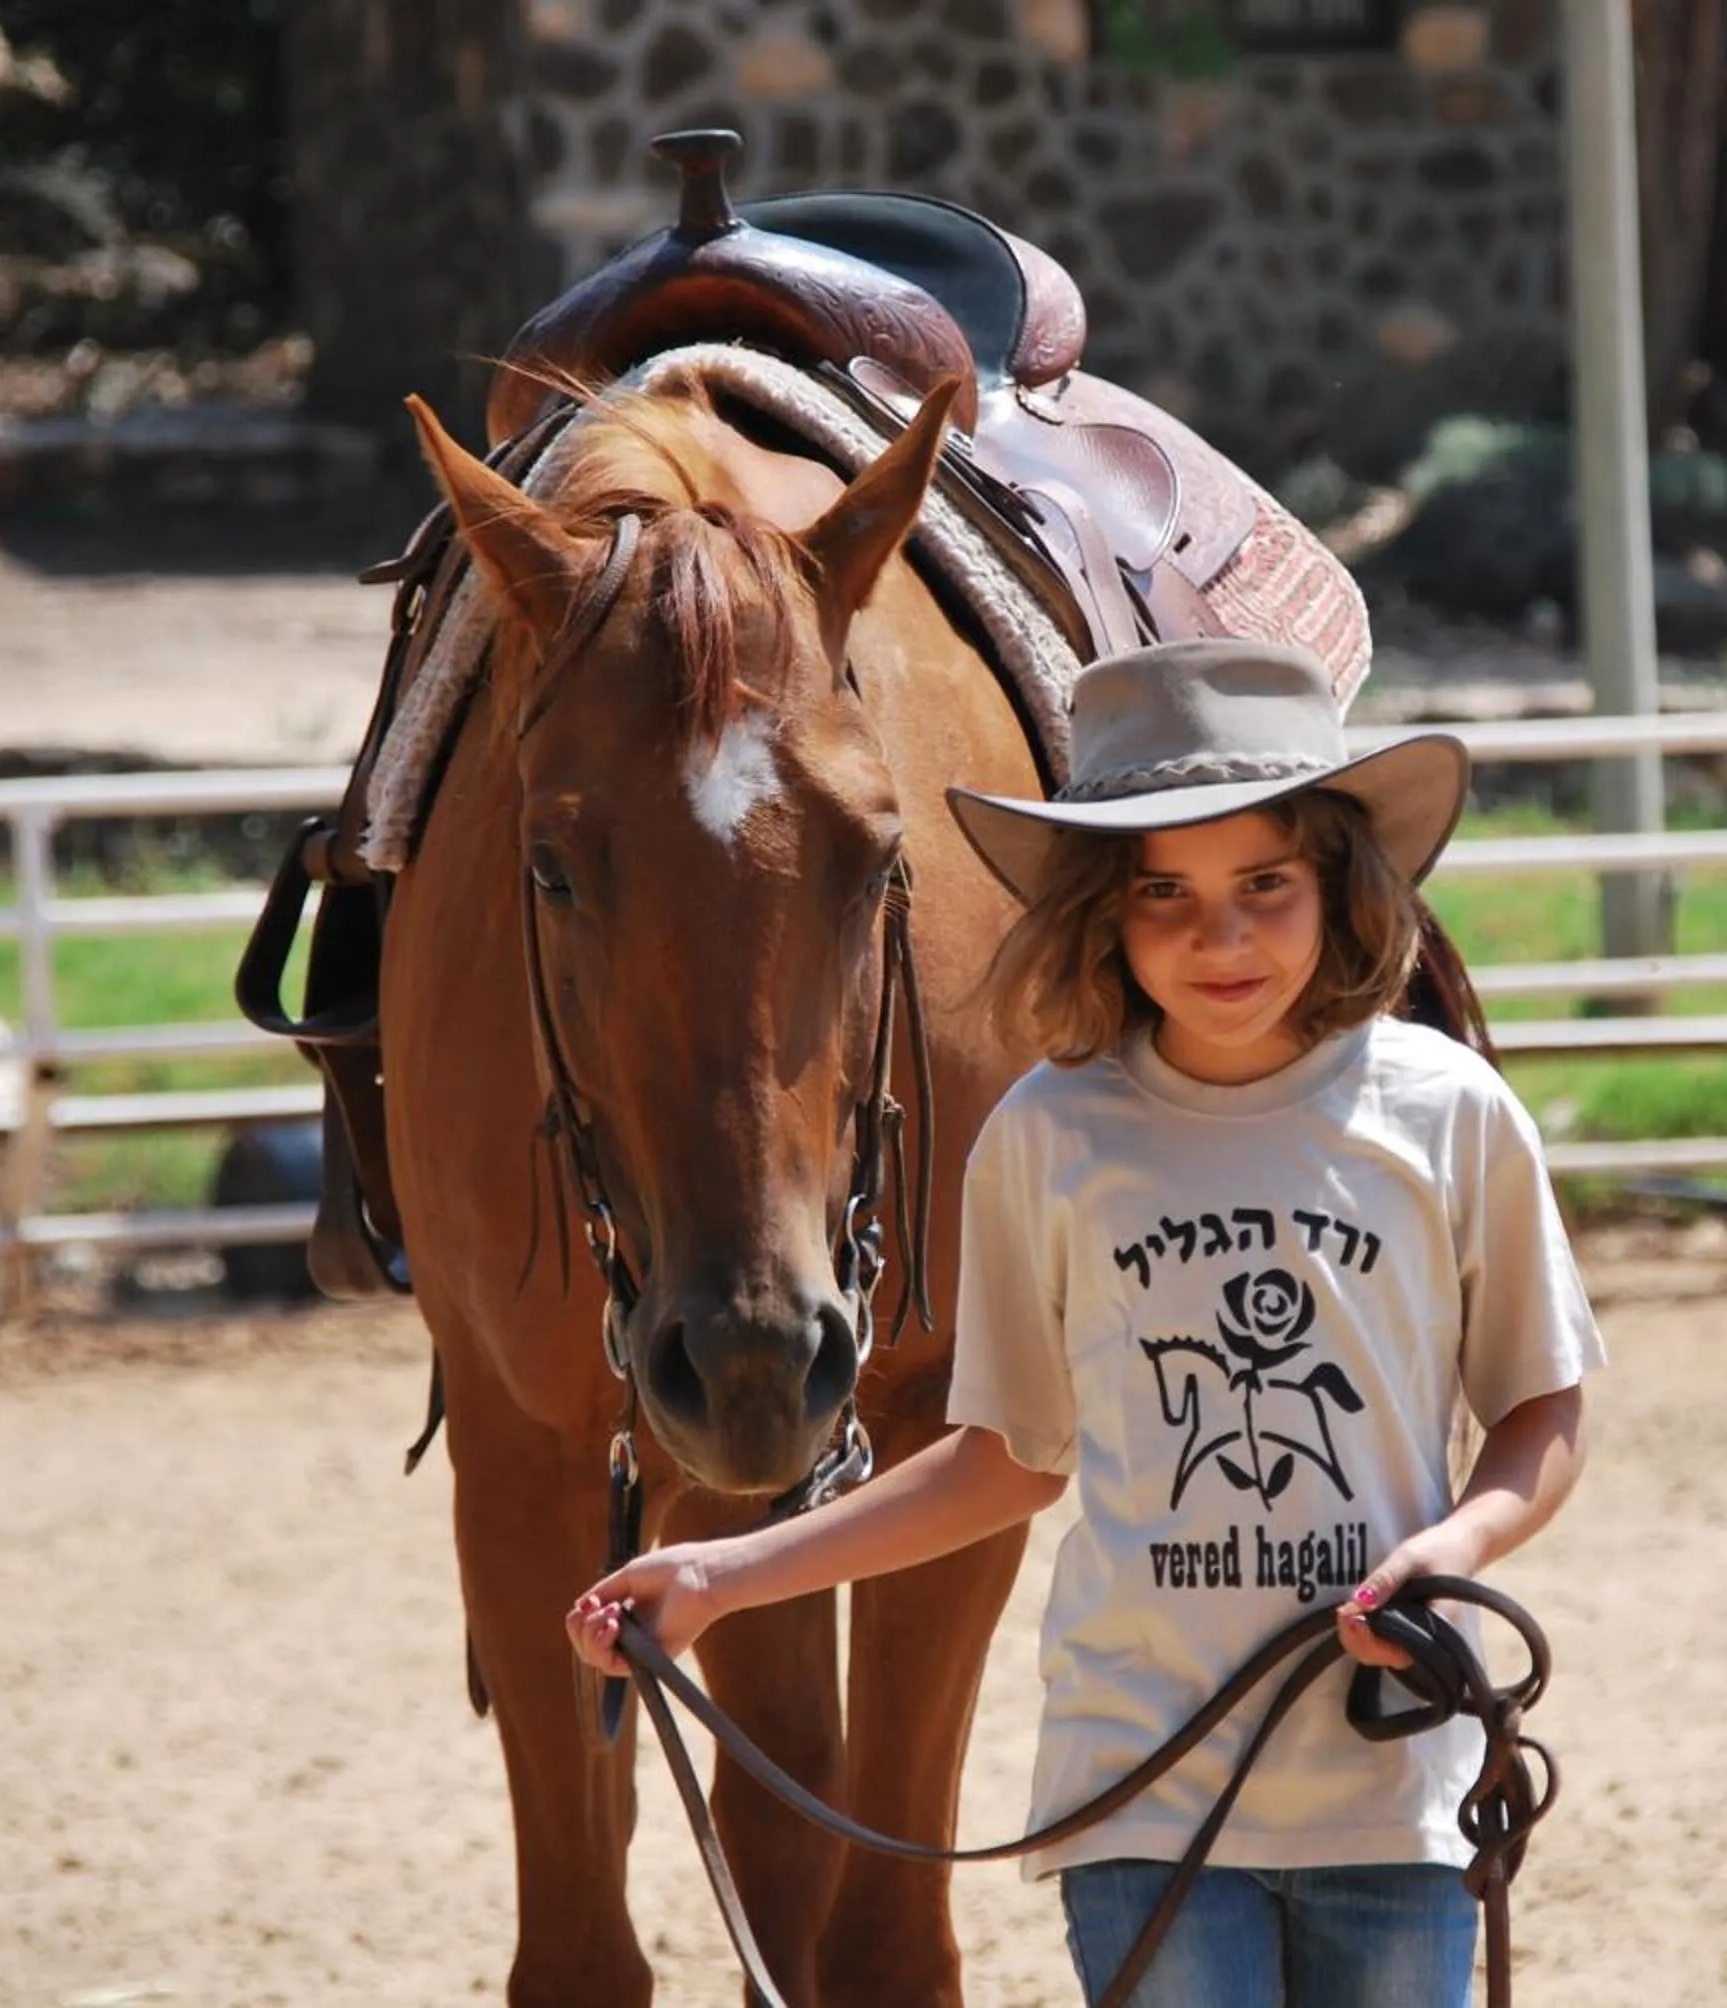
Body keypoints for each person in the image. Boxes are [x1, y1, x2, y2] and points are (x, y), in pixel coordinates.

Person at [570, 637, 1605, 2007]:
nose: (1219, 937)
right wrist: (726, 1578)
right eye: (1165, 894)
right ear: (1104, 912)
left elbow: (1545, 1405)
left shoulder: (1445, 1113)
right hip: (1139, 1781)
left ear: (1336, 885)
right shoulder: (1050, 1137)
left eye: (1264, 887)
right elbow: (1010, 1456)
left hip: (1393, 1770)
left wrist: (1451, 1549)